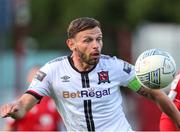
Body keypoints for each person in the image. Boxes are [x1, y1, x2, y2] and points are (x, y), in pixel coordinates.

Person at [0, 17, 180, 131]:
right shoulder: (52, 71)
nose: (96, 45)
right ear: (71, 44)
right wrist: (16, 110)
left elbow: (154, 94)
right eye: (88, 40)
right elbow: (25, 103)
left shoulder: (115, 67)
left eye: (99, 39)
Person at [3, 66, 65, 131]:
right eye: (34, 76)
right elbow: (9, 127)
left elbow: (68, 124)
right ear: (28, 79)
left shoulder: (55, 102)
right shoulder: (18, 103)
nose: (37, 81)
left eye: (39, 77)